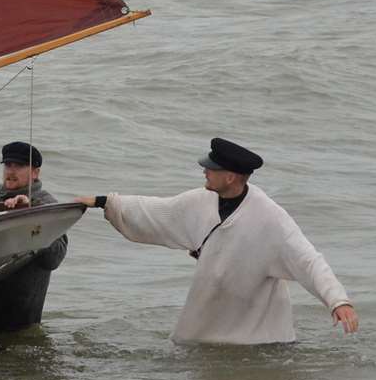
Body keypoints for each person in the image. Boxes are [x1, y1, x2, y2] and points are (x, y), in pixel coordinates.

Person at [67, 137, 359, 344]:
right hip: (206, 327)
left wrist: (337, 301)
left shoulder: (271, 218)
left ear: (230, 177)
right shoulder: (200, 200)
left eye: (211, 168)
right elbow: (156, 211)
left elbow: (308, 260)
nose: (204, 170)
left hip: (259, 338)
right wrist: (104, 202)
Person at [0, 141, 68, 332]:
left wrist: (31, 216)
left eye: (19, 166)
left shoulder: (46, 204)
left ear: (35, 173)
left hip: (20, 321)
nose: (11, 171)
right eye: (8, 165)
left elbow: (54, 259)